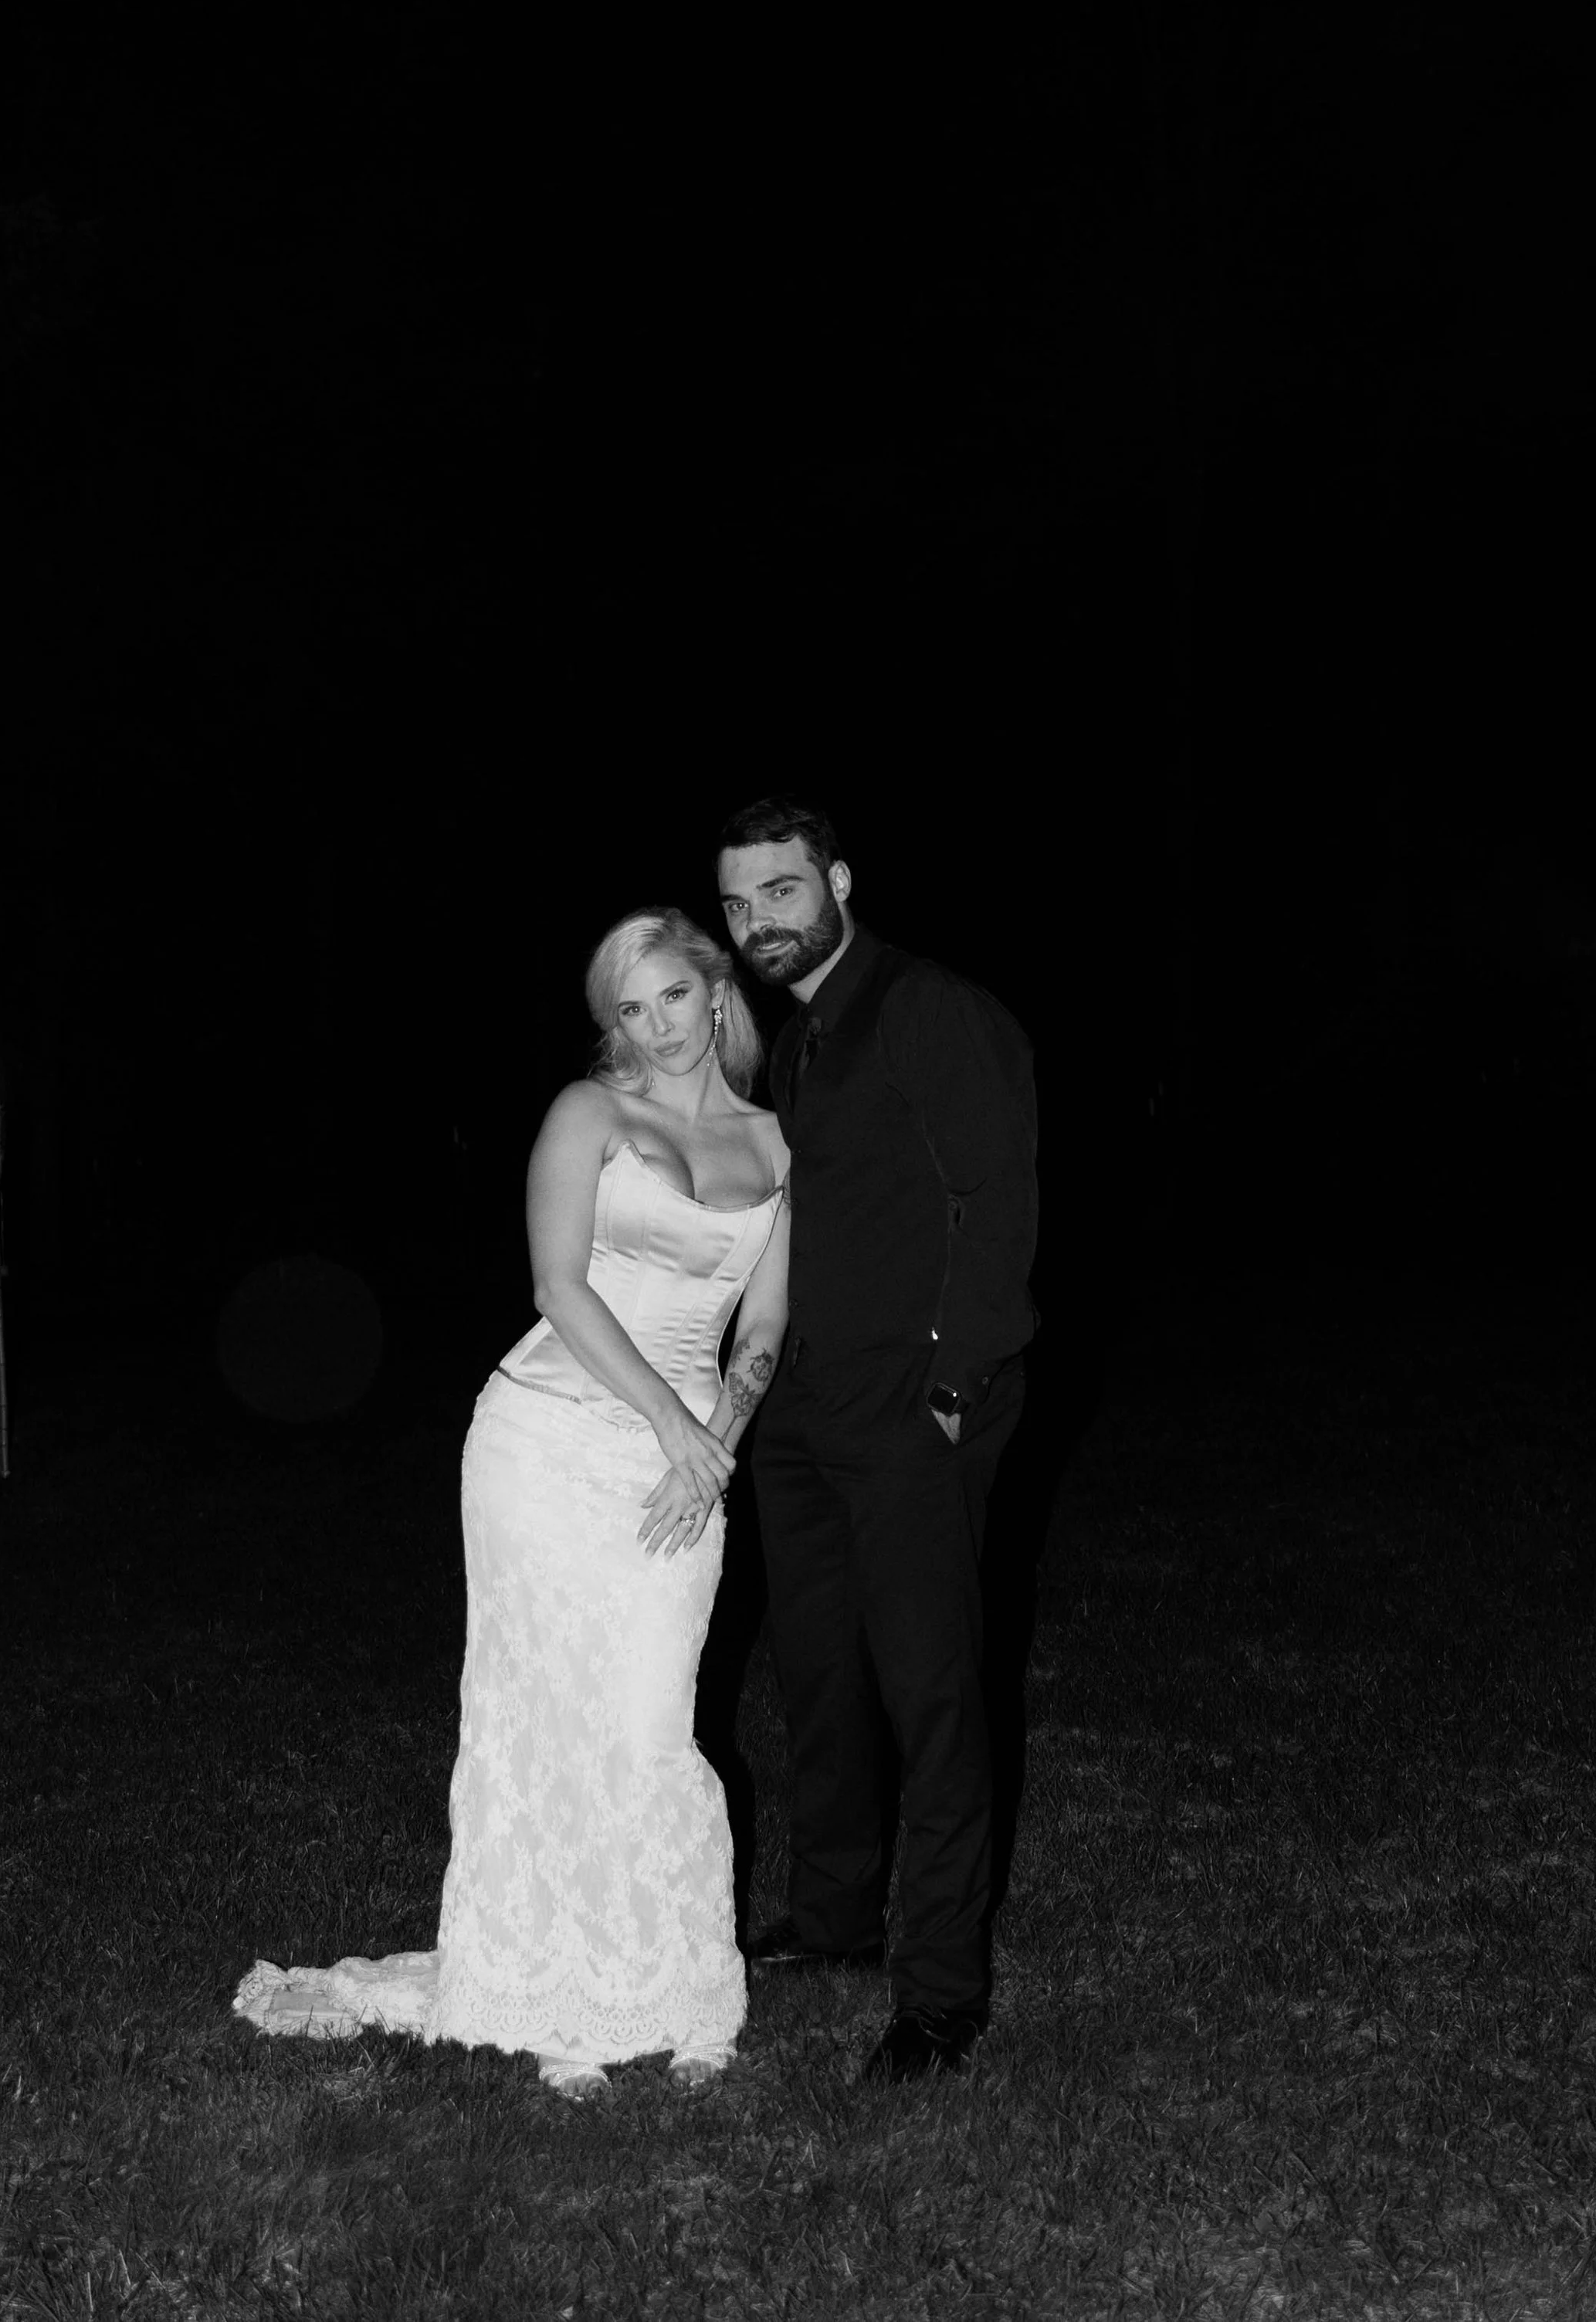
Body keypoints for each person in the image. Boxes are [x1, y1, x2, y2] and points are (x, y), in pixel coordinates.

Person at [234, 909, 791, 2097]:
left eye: (672, 998)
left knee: (650, 1720)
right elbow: (559, 1285)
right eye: (628, 1011)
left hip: (682, 1459)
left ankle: (682, 1985)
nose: (655, 1028)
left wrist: (713, 1449)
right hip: (547, 1439)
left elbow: (765, 1329)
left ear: (716, 988)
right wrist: (670, 1424)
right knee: (547, 1713)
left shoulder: (785, 1147)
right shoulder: (588, 1114)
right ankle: (557, 1999)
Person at [716, 797, 1037, 2083]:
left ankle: (941, 1994)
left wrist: (953, 1385)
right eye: (739, 906)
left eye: (781, 893)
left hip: (911, 1409)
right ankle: (838, 1914)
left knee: (931, 1692)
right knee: (818, 1675)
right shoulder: (802, 1043)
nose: (759, 926)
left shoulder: (925, 1009)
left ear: (839, 879)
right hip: (804, 1411)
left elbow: (998, 1196)